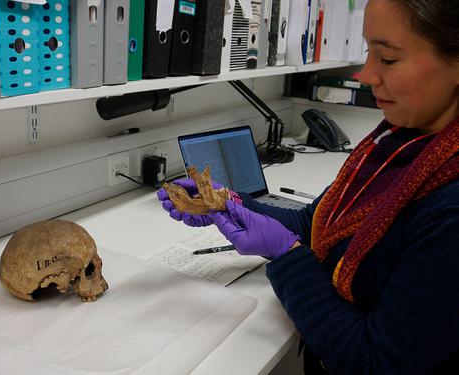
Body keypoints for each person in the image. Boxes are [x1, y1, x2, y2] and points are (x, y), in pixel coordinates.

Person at [157, 0, 459, 373]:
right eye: (368, 52)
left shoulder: (450, 208)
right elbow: (317, 225)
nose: (366, 74)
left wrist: (286, 256)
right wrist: (229, 203)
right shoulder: (397, 140)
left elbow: (374, 361)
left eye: (389, 58)